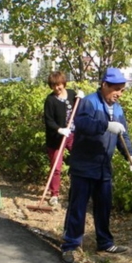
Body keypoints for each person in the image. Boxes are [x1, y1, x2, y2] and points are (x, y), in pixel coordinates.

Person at [60, 68, 132, 263]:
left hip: (103, 166)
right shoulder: (90, 102)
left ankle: (104, 242)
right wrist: (105, 125)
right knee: (78, 206)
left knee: (104, 206)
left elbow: (124, 136)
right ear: (105, 85)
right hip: (84, 164)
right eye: (117, 89)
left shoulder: (119, 109)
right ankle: (70, 245)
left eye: (122, 90)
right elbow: (82, 123)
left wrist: (131, 156)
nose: (119, 94)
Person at [43, 71, 85, 207]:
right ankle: (54, 194)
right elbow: (48, 121)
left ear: (63, 83)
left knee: (79, 161)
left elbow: (81, 109)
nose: (57, 88)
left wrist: (82, 98)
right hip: (56, 138)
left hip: (73, 135)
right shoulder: (50, 100)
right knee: (56, 167)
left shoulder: (72, 94)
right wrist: (59, 129)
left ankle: (79, 191)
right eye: (54, 86)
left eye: (59, 85)